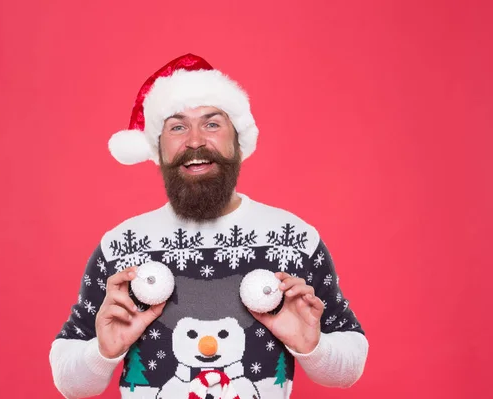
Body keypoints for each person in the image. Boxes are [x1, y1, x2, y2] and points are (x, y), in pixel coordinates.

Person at [49, 54, 368, 399]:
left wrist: (312, 346)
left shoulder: (294, 239)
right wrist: (103, 352)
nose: (196, 141)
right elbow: (70, 384)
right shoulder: (122, 246)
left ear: (237, 140)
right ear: (159, 147)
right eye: (177, 126)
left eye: (212, 124)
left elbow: (348, 367)